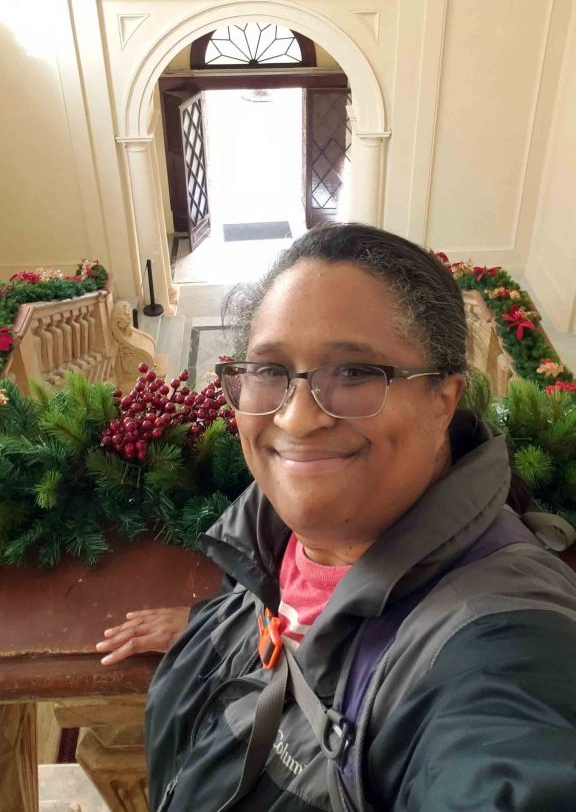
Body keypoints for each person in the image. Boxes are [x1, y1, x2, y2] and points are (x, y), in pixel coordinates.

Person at [97, 223, 576, 811]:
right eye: (271, 370)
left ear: (442, 400)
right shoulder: (270, 537)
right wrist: (222, 629)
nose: (297, 419)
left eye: (354, 373)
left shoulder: (495, 649)